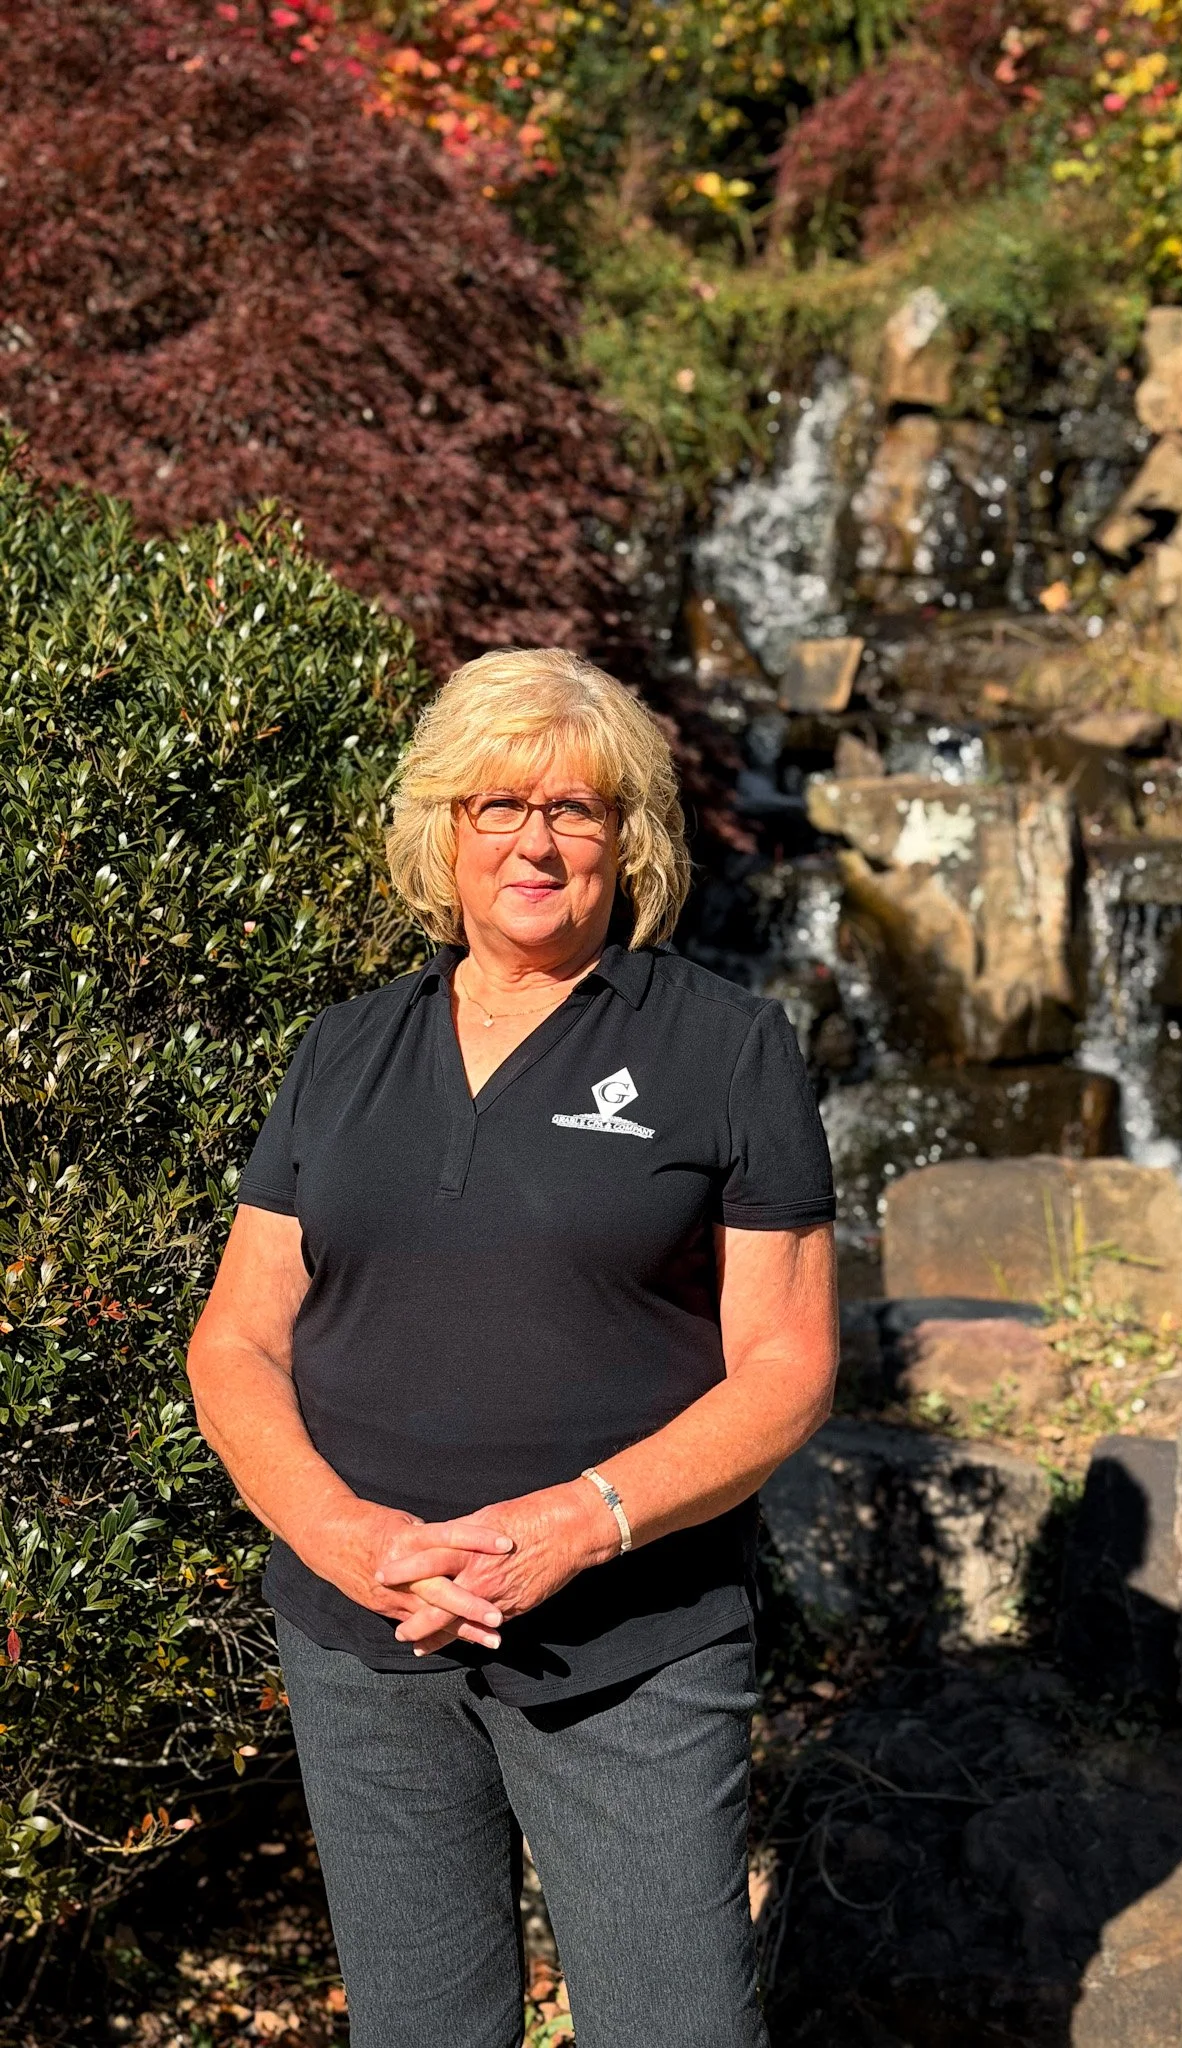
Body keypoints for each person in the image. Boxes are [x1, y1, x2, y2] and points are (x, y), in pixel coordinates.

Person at [187, 647, 839, 2048]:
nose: (535, 840)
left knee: (676, 2028)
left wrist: (579, 1524)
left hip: (633, 1644)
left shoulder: (725, 1049)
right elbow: (235, 1342)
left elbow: (784, 1364)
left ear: (630, 839)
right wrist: (347, 1537)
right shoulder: (344, 1051)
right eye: (498, 804)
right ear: (445, 829)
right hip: (366, 1639)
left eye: (578, 809)